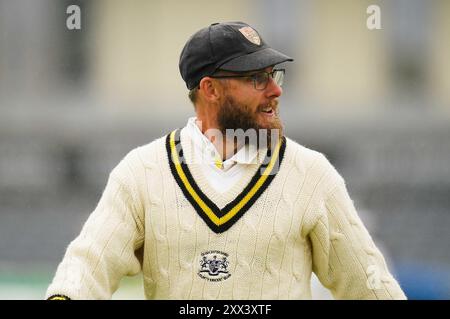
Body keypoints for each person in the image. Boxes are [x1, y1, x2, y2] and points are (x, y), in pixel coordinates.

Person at [46, 21, 406, 300]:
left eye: (273, 75)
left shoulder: (312, 175)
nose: (275, 89)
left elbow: (370, 285)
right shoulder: (141, 172)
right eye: (256, 78)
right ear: (210, 90)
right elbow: (87, 266)